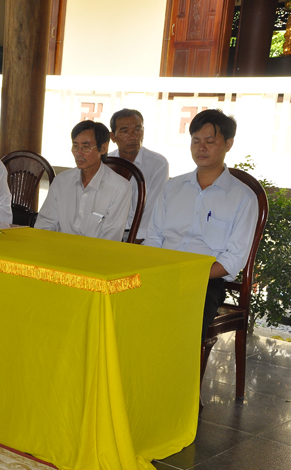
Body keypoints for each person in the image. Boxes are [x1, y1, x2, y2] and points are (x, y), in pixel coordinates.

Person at [144, 109, 258, 340]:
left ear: (228, 144)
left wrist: (190, 275)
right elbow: (154, 237)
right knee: (121, 311)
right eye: (196, 141)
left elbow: (234, 258)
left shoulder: (242, 197)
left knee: (180, 330)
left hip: (205, 281)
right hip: (161, 272)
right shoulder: (172, 187)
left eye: (209, 141)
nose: (201, 148)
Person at [35, 120, 132, 241]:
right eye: (75, 146)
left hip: (96, 251)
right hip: (59, 248)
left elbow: (111, 237)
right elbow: (45, 224)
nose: (78, 153)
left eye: (86, 147)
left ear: (103, 148)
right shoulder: (61, 181)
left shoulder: (120, 188)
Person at [108, 109, 169, 241]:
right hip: (107, 234)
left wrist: (133, 243)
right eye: (125, 131)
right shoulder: (107, 163)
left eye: (137, 129)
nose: (133, 136)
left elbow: (152, 210)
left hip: (140, 237)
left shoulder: (157, 164)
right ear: (113, 137)